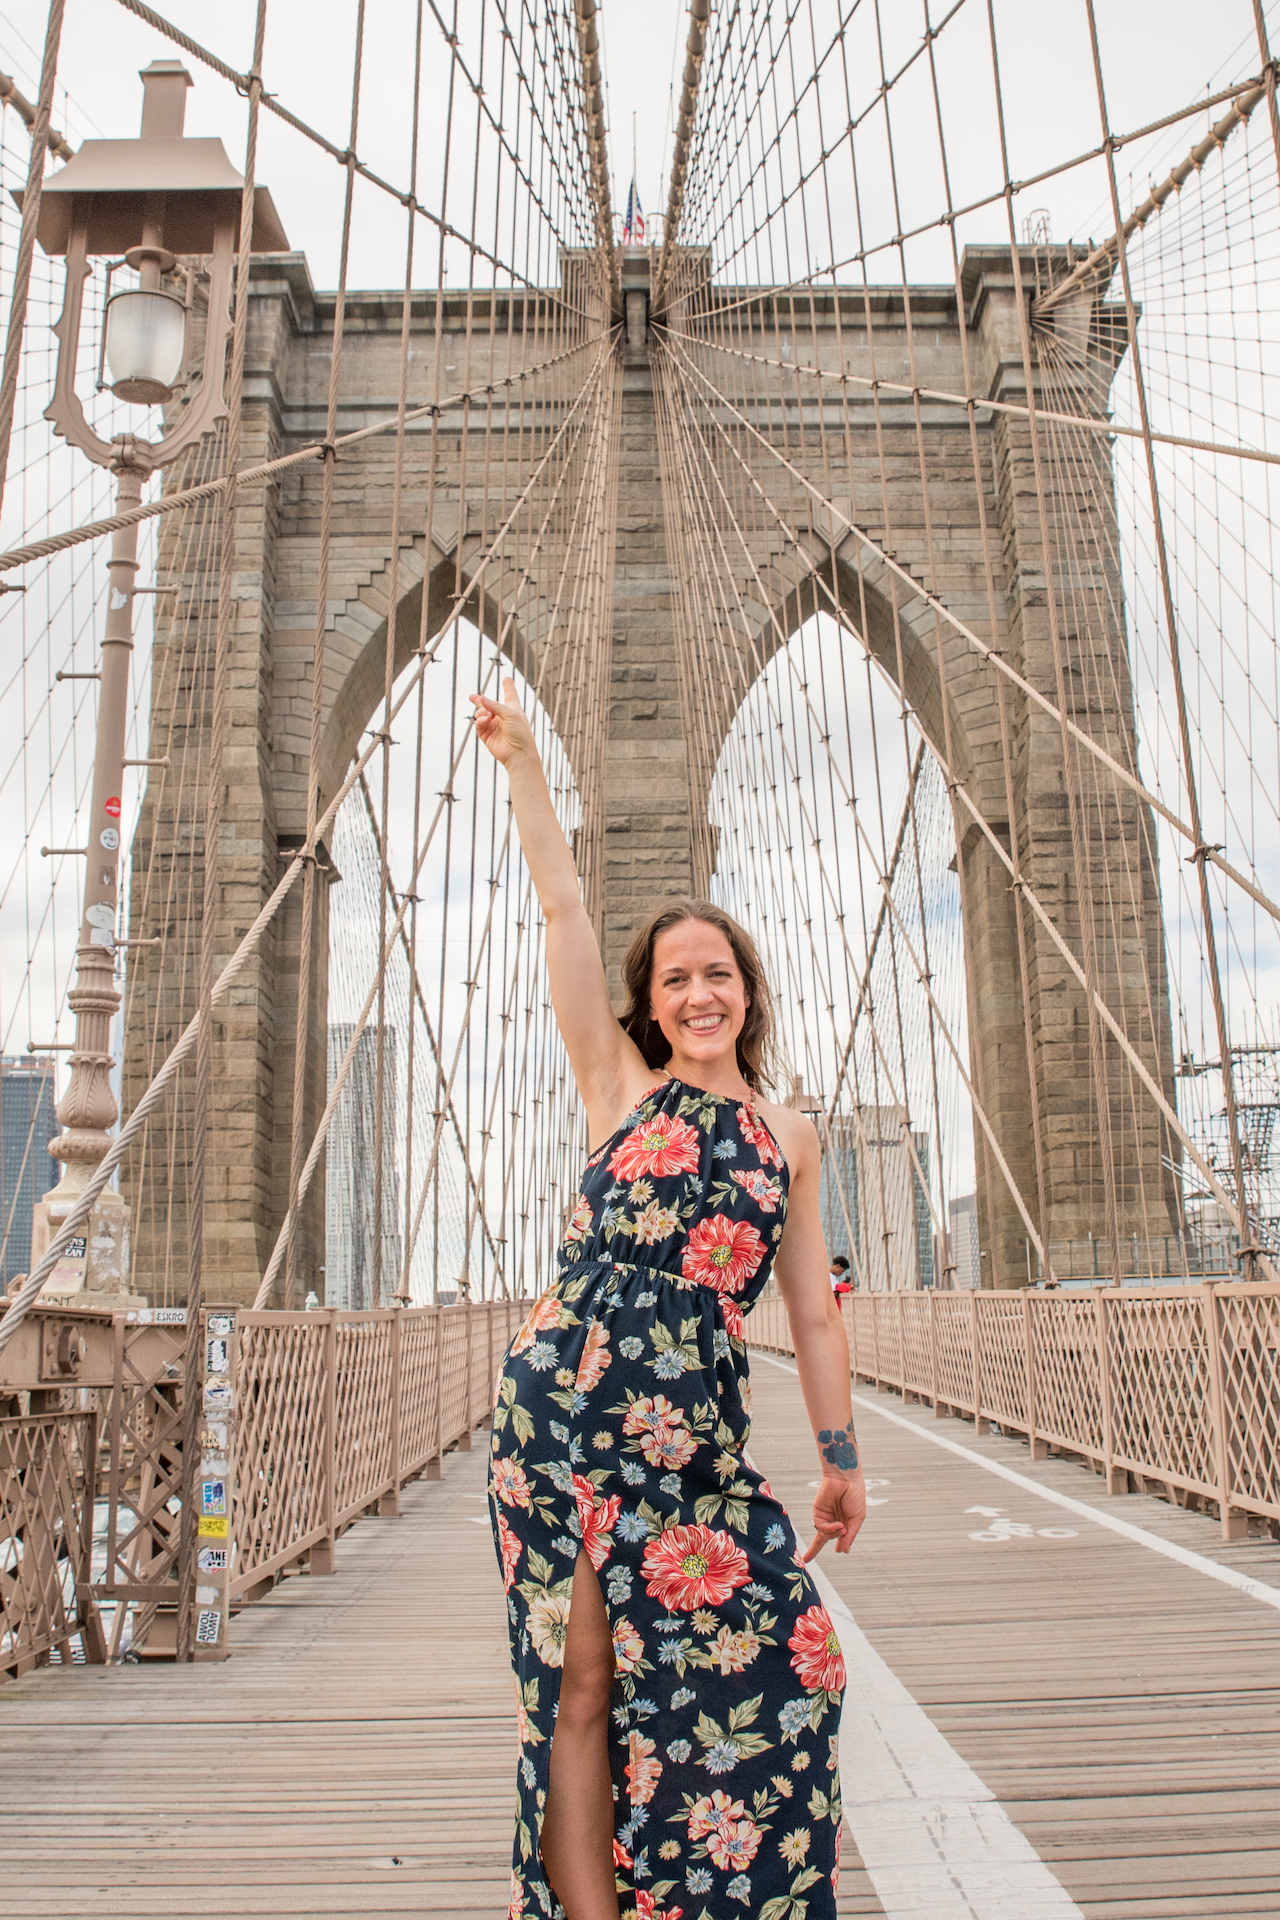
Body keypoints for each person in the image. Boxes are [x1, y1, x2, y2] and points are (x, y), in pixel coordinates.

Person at [472, 679, 867, 1920]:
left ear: (748, 990)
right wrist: (527, 767)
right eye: (676, 980)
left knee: (791, 1658)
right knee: (578, 1681)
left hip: (691, 1427)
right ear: (648, 1002)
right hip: (562, 1403)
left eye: (719, 975)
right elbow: (560, 905)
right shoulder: (618, 1089)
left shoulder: (790, 1138)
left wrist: (839, 1455)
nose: (699, 994)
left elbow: (809, 1312)